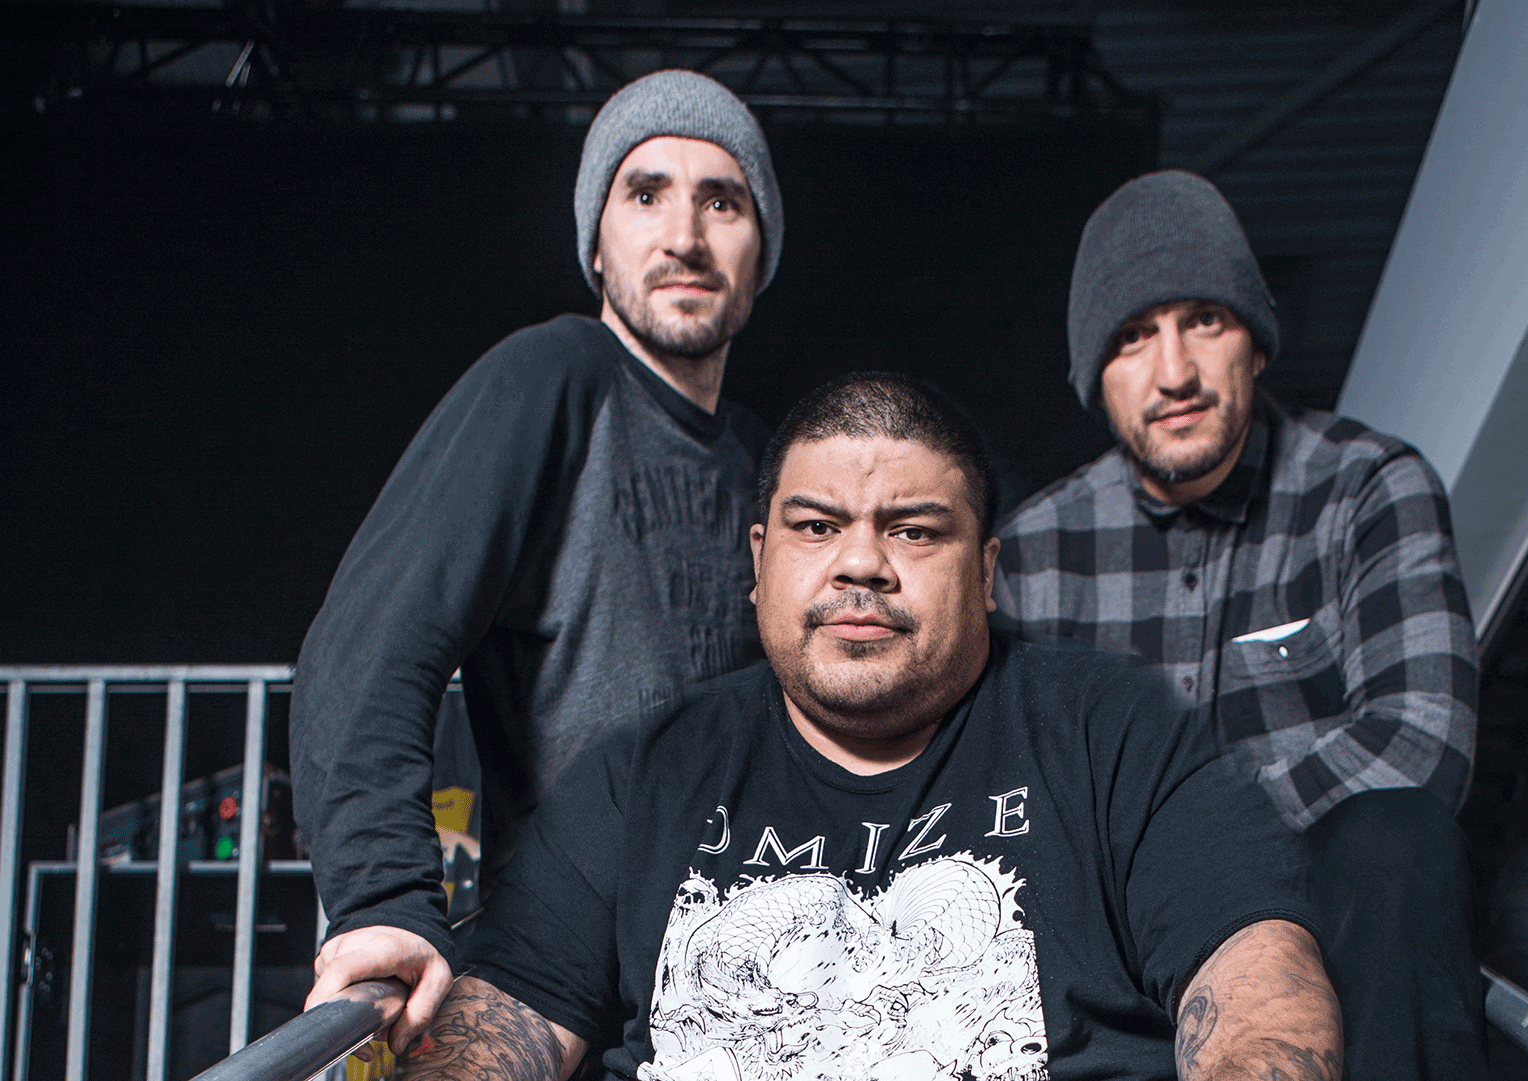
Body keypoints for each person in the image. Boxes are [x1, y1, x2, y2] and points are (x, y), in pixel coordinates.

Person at [396, 372, 1343, 1081]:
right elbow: (502, 1018)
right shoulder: (637, 776)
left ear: (986, 571)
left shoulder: (1117, 733)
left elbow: (1258, 983)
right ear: (759, 560)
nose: (861, 563)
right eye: (816, 526)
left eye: (914, 531)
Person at [288, 68, 783, 1050]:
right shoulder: (554, 376)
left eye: (721, 201)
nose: (684, 236)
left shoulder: (762, 461)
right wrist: (386, 896)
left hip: (745, 981)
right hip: (570, 980)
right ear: (596, 244)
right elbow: (368, 648)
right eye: (645, 195)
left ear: (759, 249)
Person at [991, 170, 1485, 1081]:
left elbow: (1422, 740)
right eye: (1133, 337)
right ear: (1095, 378)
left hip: (1334, 940)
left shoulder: (1366, 489)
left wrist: (1195, 840)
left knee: (1397, 836)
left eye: (1205, 321)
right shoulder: (1029, 553)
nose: (1174, 372)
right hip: (1124, 959)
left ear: (1255, 344)